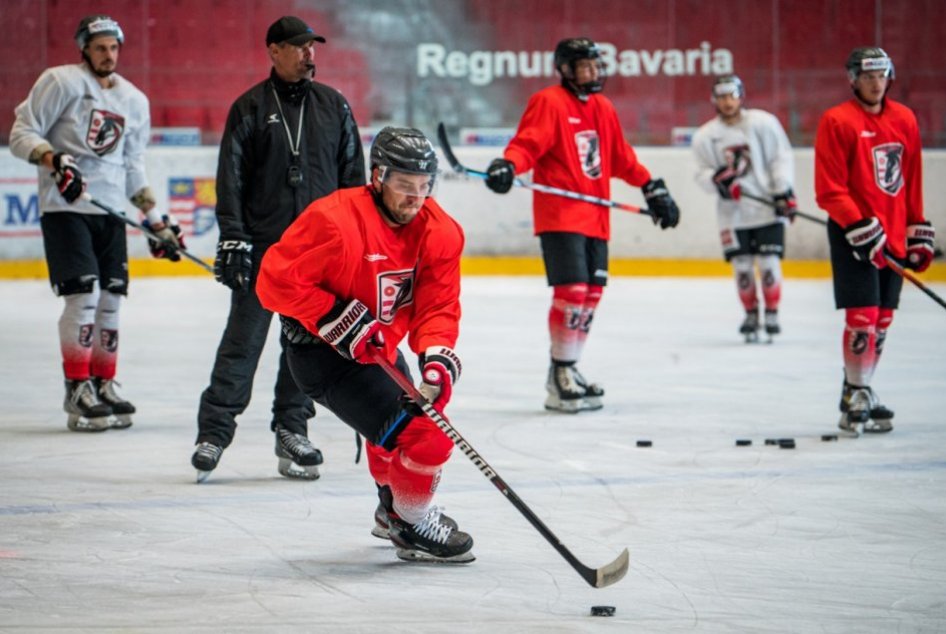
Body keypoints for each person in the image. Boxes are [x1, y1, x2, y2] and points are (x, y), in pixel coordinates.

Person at [256, 126, 472, 563]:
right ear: (378, 177)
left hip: (381, 351)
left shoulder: (441, 232)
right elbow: (272, 282)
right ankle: (412, 524)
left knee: (393, 432)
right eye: (404, 186)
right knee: (427, 434)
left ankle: (390, 509)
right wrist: (331, 314)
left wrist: (436, 356)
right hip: (323, 357)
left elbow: (438, 306)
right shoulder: (334, 220)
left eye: (424, 187)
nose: (416, 198)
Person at [192, 16, 366, 481]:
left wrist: (357, 242)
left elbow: (355, 181)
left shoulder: (334, 106)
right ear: (273, 50)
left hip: (319, 257)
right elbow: (230, 178)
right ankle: (214, 431)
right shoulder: (249, 107)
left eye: (313, 47)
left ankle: (293, 429)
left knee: (304, 346)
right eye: (298, 46)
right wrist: (233, 236)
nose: (309, 54)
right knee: (242, 343)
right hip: (266, 252)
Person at [483, 37, 680, 413]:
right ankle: (558, 375)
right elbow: (527, 145)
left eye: (595, 65)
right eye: (585, 66)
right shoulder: (549, 102)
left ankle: (570, 367)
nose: (593, 72)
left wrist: (651, 187)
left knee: (590, 296)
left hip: (596, 218)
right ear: (566, 70)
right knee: (571, 291)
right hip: (561, 214)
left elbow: (621, 158)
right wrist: (508, 163)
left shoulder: (604, 107)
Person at [9, 15, 183, 432]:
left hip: (109, 213)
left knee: (111, 300)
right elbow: (21, 132)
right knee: (82, 297)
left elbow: (133, 166)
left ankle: (103, 384)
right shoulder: (61, 81)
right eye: (100, 46)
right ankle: (77, 388)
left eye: (114, 47)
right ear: (84, 48)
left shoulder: (134, 100)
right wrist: (54, 160)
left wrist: (156, 222)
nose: (109, 54)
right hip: (67, 209)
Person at [815, 47, 935, 434]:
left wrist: (917, 229)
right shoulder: (837, 120)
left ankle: (859, 390)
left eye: (881, 74)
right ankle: (858, 393)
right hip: (854, 234)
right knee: (862, 318)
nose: (875, 82)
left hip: (894, 230)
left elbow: (911, 180)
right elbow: (829, 190)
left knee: (882, 321)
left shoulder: (905, 118)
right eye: (867, 75)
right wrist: (858, 226)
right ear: (852, 79)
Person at [691, 74, 797, 343]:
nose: (728, 102)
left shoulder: (763, 123)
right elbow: (701, 173)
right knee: (742, 267)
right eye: (722, 96)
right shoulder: (706, 136)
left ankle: (772, 311)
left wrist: (783, 190)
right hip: (732, 215)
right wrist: (718, 183)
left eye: (732, 95)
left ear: (741, 95)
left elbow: (780, 158)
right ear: (714, 100)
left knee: (769, 262)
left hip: (767, 207)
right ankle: (750, 313)